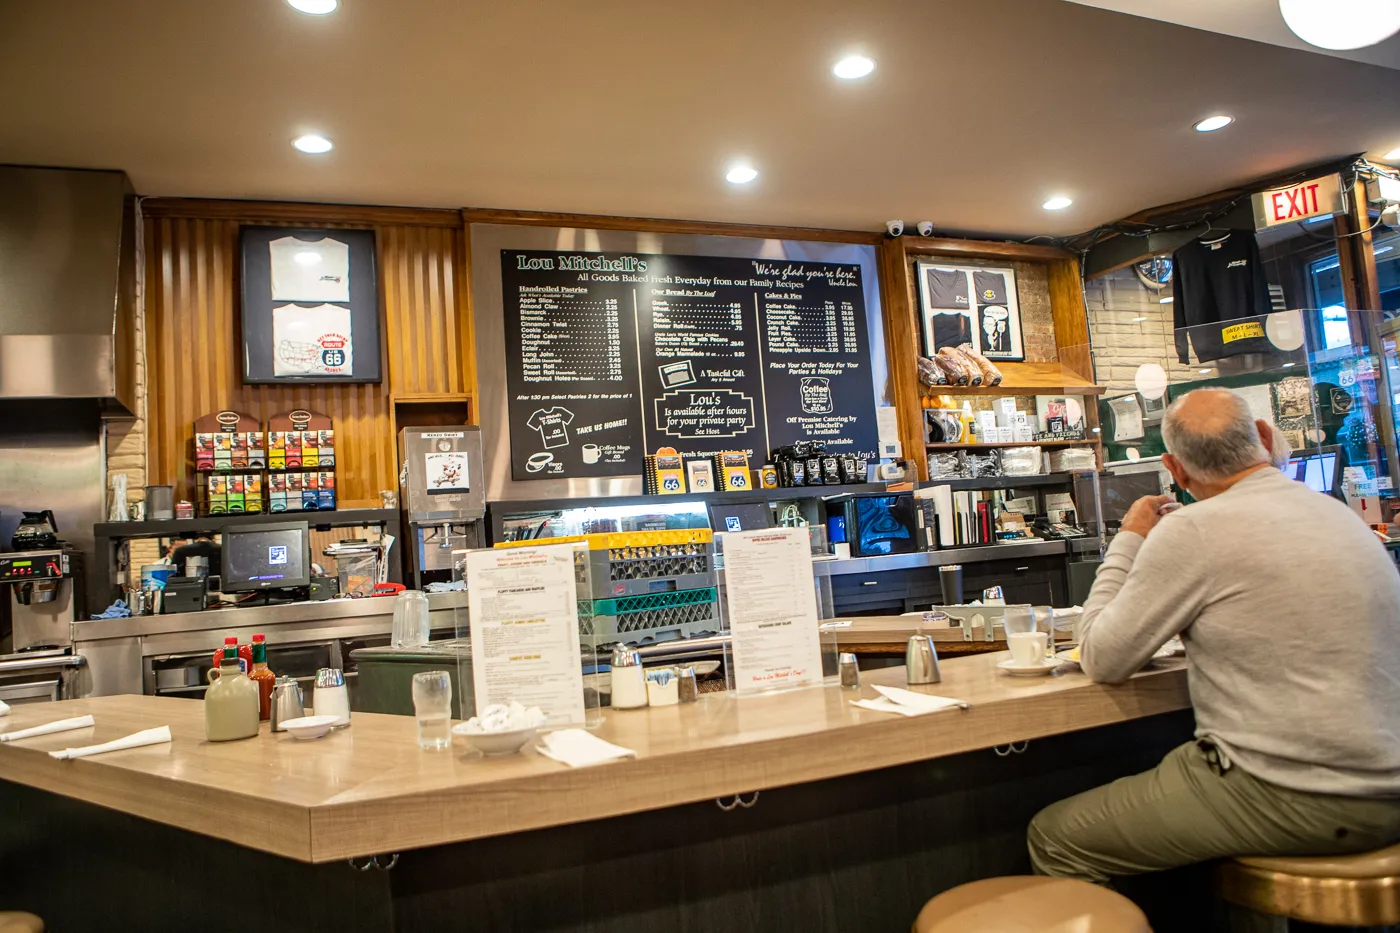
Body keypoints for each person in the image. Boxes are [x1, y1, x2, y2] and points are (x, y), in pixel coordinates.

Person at [1028, 388, 1400, 884]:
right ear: (1265, 438)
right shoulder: (1335, 512)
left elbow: (1102, 656)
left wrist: (1131, 536)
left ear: (1174, 469)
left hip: (1305, 794)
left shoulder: (1193, 530)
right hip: (1387, 781)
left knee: (1054, 837)